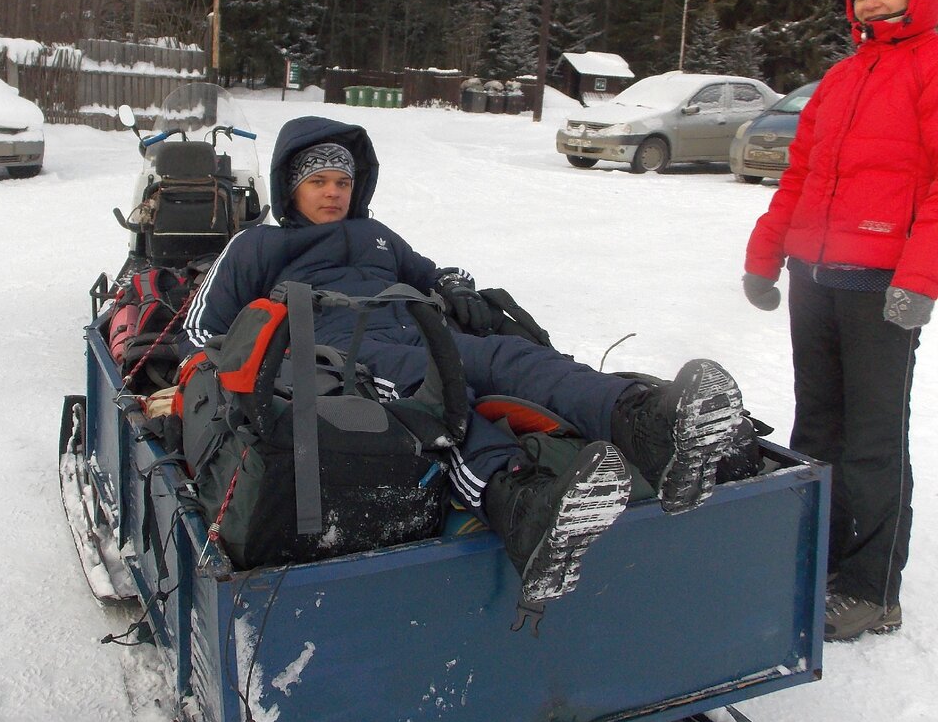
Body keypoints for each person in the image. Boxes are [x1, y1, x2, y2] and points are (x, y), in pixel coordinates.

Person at [184, 115, 748, 607]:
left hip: (423, 333)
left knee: (511, 355)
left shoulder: (379, 237)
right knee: (443, 403)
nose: (332, 193)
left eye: (342, 182)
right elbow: (204, 327)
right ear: (291, 187)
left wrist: (453, 284)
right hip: (343, 353)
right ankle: (522, 501)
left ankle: (644, 423)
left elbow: (431, 276)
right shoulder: (257, 247)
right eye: (318, 182)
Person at [744, 0, 938, 642]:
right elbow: (799, 176)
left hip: (883, 284)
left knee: (874, 438)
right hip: (815, 277)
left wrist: (920, 279)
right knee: (817, 425)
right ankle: (815, 557)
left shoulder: (932, 66)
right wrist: (766, 257)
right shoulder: (842, 77)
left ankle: (871, 588)